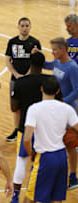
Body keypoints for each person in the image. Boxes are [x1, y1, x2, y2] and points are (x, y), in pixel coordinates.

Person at [23, 77, 78, 203]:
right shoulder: (67, 108)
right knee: (56, 199)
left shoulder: (34, 109)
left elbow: (26, 138)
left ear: (41, 89)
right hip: (62, 158)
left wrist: (31, 153)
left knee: (30, 198)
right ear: (58, 91)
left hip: (44, 158)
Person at [10, 52, 55, 203]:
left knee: (21, 161)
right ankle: (35, 193)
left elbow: (13, 107)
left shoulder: (21, 82)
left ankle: (15, 197)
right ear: (43, 65)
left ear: (30, 63)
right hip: (45, 129)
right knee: (39, 164)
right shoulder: (50, 82)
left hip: (25, 128)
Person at [39, 37, 78, 189]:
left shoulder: (73, 67)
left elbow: (77, 90)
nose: (53, 52)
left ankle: (74, 176)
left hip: (68, 110)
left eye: (55, 49)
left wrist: (62, 103)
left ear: (63, 50)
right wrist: (39, 54)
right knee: (56, 142)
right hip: (56, 109)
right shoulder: (57, 62)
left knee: (70, 144)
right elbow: (47, 65)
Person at [5, 17, 41, 142]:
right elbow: (7, 60)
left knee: (31, 106)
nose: (25, 28)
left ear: (30, 27)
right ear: (18, 27)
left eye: (27, 26)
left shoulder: (35, 42)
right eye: (22, 25)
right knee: (15, 107)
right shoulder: (12, 42)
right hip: (15, 79)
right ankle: (16, 130)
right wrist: (16, 74)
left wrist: (27, 75)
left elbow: (37, 62)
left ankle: (33, 131)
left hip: (30, 80)